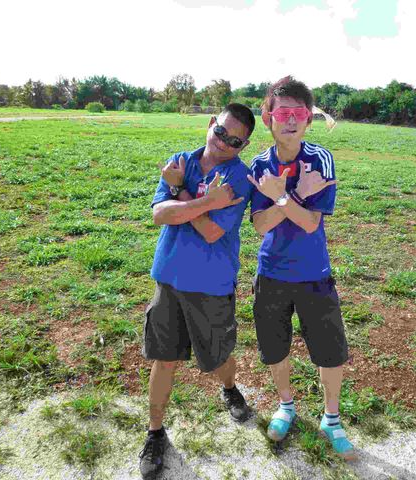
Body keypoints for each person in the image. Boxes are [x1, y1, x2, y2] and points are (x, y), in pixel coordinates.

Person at [139, 103, 255, 479]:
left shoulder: (239, 178)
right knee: (164, 359)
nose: (223, 143)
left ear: (243, 146)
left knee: (219, 357)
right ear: (210, 124)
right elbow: (160, 214)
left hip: (211, 282)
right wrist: (205, 201)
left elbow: (211, 232)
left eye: (234, 141)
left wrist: (180, 193)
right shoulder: (181, 162)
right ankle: (155, 432)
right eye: (220, 132)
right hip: (170, 278)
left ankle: (230, 388)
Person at [247, 76, 356, 460]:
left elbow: (311, 223)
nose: (290, 120)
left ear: (309, 119)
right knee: (274, 346)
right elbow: (260, 225)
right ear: (268, 118)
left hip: (314, 273)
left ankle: (331, 418)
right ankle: (286, 406)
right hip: (271, 273)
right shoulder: (260, 164)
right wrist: (295, 196)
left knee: (330, 350)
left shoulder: (320, 160)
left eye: (299, 113)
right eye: (283, 113)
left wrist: (279, 197)